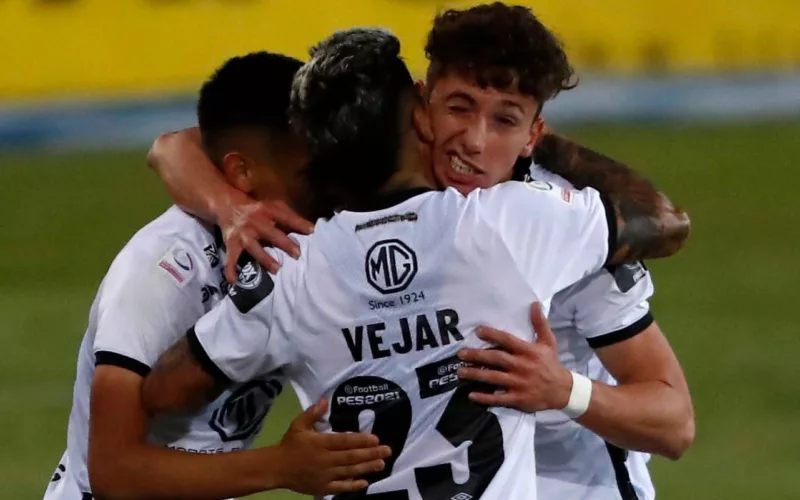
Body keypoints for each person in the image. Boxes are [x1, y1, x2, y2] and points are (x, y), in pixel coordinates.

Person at [146, 4, 694, 499]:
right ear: (420, 106)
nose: (474, 141)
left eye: (505, 120)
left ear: (533, 136)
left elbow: (674, 424)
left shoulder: (549, 222)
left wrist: (564, 390)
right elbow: (176, 145)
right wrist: (227, 206)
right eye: (459, 107)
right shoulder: (514, 225)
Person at [43, 52, 389, 500]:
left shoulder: (297, 238)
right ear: (241, 173)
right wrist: (282, 466)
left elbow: (177, 144)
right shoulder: (161, 273)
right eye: (312, 174)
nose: (334, 192)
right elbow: (113, 471)